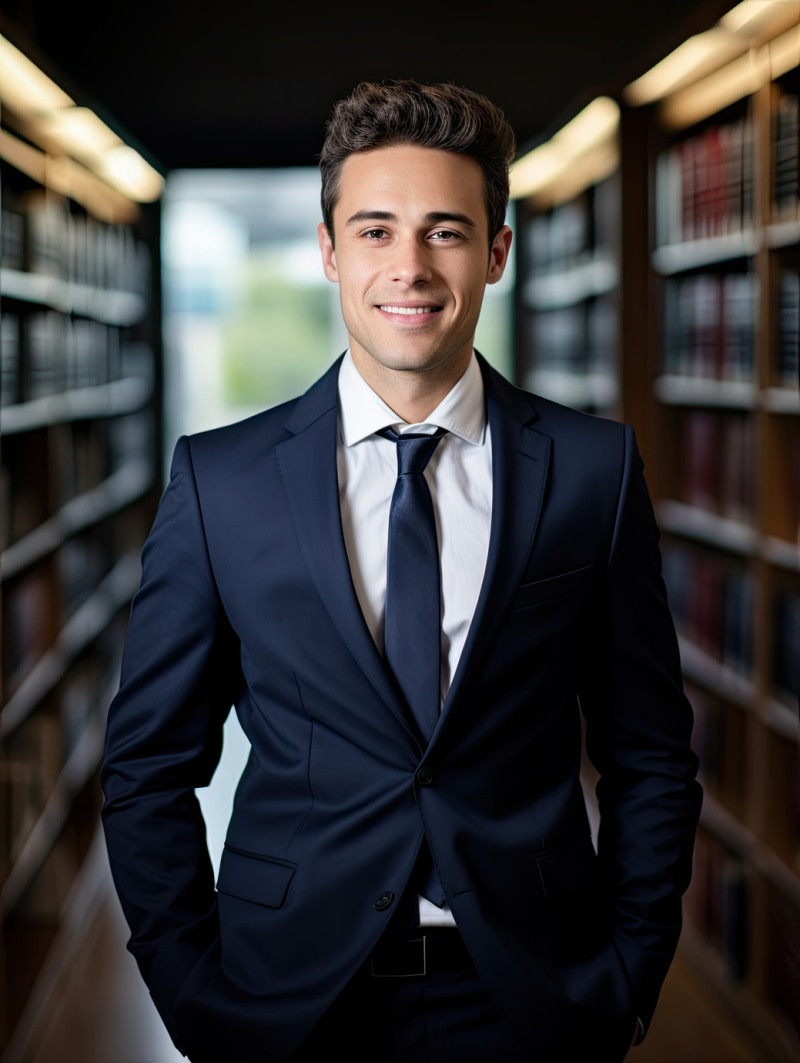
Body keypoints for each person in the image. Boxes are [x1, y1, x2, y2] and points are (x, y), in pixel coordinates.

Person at [101, 78, 702, 1063]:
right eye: (375, 231)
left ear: (497, 252)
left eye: (445, 231)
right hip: (283, 995)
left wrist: (628, 972)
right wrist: (189, 986)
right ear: (330, 251)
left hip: (529, 994)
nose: (409, 267)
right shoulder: (220, 481)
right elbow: (148, 764)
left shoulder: (594, 470)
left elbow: (649, 753)